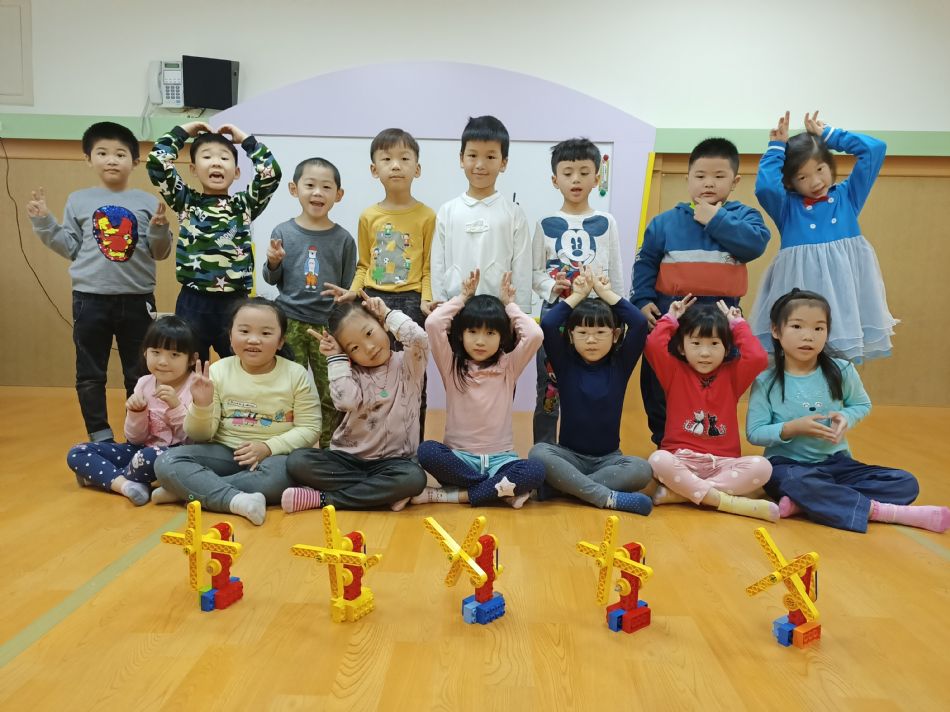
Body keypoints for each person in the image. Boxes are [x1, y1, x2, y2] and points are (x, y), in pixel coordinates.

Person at [746, 289, 948, 533]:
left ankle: (809, 503)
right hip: (789, 466)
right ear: (776, 330)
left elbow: (861, 405)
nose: (808, 336)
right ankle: (882, 512)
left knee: (905, 482)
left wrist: (845, 417)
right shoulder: (766, 381)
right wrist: (792, 428)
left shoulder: (841, 370)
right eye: (797, 326)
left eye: (819, 328)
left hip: (837, 464)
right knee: (793, 481)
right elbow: (755, 433)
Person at [27, 121, 172, 442]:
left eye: (120, 154)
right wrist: (44, 221)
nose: (111, 160)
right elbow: (70, 246)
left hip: (138, 299)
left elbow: (160, 252)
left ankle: (141, 433)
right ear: (88, 159)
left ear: (135, 161)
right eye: (102, 153)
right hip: (89, 299)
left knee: (141, 372)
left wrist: (160, 228)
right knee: (90, 373)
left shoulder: (148, 202)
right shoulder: (78, 200)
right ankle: (100, 436)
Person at [630, 137, 770, 447]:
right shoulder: (664, 222)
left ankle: (709, 444)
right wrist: (642, 300)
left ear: (735, 181)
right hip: (673, 317)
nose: (709, 183)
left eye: (719, 176)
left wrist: (715, 219)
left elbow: (755, 244)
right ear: (688, 179)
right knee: (661, 382)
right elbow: (645, 262)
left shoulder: (745, 218)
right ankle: (665, 444)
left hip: (721, 321)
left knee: (716, 386)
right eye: (700, 175)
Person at [153, 299, 320, 525]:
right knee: (166, 461)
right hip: (225, 451)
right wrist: (202, 406)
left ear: (281, 341)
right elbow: (200, 435)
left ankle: (191, 490)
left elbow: (310, 428)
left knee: (279, 478)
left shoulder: (296, 374)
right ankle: (236, 499)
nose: (253, 339)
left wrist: (268, 447)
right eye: (244, 331)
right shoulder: (219, 370)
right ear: (230, 337)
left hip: (273, 457)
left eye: (265, 333)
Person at [748, 111, 897, 360]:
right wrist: (776, 148)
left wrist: (829, 135)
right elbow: (765, 188)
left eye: (820, 169)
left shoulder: (847, 196)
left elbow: (874, 149)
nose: (816, 181)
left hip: (843, 297)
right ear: (790, 183)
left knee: (838, 360)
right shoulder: (787, 208)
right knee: (795, 355)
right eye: (802, 177)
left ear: (830, 165)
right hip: (799, 293)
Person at [323, 128, 435, 439]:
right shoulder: (368, 216)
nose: (396, 165)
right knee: (366, 374)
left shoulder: (427, 216)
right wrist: (353, 291)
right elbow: (364, 265)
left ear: (417, 168)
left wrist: (426, 299)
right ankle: (364, 442)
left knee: (413, 378)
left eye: (404, 158)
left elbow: (428, 267)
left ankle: (411, 446)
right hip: (372, 300)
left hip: (411, 302)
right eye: (387, 159)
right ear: (375, 170)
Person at [280, 292, 428, 513]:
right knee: (297, 461)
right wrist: (334, 358)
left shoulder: (409, 364)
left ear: (381, 325)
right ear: (347, 354)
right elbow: (346, 402)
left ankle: (323, 499)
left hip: (394, 462)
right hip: (347, 460)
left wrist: (387, 313)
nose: (368, 347)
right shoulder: (350, 374)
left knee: (414, 478)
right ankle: (381, 493)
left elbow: (418, 338)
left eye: (369, 333)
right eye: (354, 348)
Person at [146, 121, 281, 361]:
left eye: (224, 158)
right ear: (193, 169)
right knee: (190, 364)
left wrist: (247, 141)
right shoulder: (185, 201)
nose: (216, 162)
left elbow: (270, 174)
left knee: (239, 365)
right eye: (207, 157)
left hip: (235, 301)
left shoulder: (244, 205)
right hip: (193, 300)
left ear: (236, 172)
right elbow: (157, 162)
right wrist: (182, 132)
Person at [412, 269, 545, 507]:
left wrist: (509, 305)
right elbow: (433, 323)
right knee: (427, 451)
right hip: (460, 461)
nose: (480, 341)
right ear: (460, 335)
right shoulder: (452, 365)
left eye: (490, 333)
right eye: (472, 332)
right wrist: (463, 297)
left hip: (501, 461)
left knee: (535, 470)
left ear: (502, 337)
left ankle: (456, 495)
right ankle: (500, 490)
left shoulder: (508, 366)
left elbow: (534, 334)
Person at [527, 268, 652, 514]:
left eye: (600, 333)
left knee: (642, 469)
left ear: (615, 335)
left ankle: (564, 488)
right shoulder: (565, 363)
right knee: (538, 452)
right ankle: (606, 497)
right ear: (570, 336)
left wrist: (606, 294)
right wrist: (578, 295)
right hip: (568, 456)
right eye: (583, 333)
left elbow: (639, 323)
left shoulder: (620, 364)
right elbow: (549, 324)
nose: (591, 340)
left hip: (609, 459)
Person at [645, 295, 778, 521]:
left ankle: (684, 494)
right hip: (682, 459)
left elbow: (757, 358)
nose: (705, 353)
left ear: (727, 349)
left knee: (763, 467)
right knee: (658, 460)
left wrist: (738, 325)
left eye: (714, 344)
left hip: (723, 463)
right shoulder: (674, 371)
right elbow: (653, 346)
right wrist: (671, 318)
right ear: (682, 347)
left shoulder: (733, 374)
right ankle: (726, 501)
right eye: (696, 344)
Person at [531, 138, 624, 444]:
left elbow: (616, 272)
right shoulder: (545, 224)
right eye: (568, 173)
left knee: (592, 386)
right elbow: (534, 273)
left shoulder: (607, 222)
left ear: (596, 178)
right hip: (556, 316)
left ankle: (586, 449)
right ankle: (544, 454)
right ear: (554, 179)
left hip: (596, 318)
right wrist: (550, 285)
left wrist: (619, 316)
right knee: (549, 388)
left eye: (584, 172)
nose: (576, 179)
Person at [262, 157, 356, 447]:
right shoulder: (282, 232)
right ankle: (285, 447)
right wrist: (273, 262)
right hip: (289, 321)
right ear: (294, 189)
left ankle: (331, 448)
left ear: (338, 194)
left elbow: (347, 287)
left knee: (332, 392)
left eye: (326, 187)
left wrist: (343, 311)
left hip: (328, 327)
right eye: (310, 185)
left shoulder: (343, 239)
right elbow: (271, 279)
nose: (318, 192)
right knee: (287, 389)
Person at [67, 316, 197, 505]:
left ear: (192, 359)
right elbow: (135, 439)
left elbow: (193, 437)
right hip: (141, 451)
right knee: (78, 452)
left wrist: (176, 407)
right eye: (156, 352)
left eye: (174, 355)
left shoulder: (195, 386)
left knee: (147, 457)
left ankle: (106, 477)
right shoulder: (144, 383)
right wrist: (137, 413)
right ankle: (127, 485)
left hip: (176, 455)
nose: (162, 361)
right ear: (145, 353)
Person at [431, 116, 532, 312]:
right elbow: (437, 264)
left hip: (499, 312)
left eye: (490, 157)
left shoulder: (513, 213)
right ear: (461, 159)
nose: (480, 164)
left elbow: (522, 268)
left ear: (503, 163)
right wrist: (441, 304)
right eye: (472, 155)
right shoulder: (448, 211)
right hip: (455, 308)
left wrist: (519, 311)